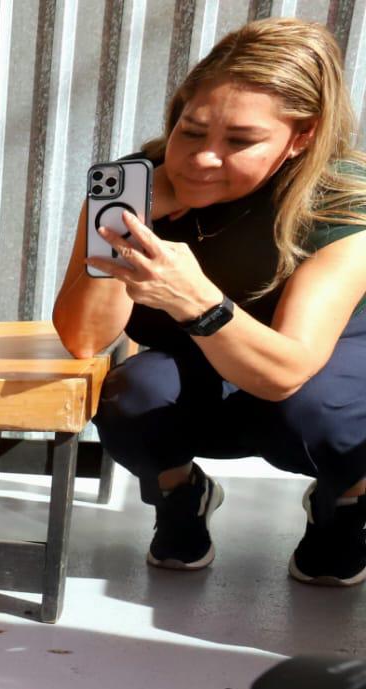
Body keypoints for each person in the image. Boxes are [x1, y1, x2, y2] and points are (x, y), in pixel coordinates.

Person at [52, 18, 366, 585]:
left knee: (323, 415)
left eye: (239, 141)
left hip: (317, 378)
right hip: (205, 370)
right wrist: (121, 225)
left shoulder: (342, 203)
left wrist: (199, 302)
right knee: (131, 399)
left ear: (302, 136)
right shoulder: (131, 184)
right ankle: (182, 494)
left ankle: (344, 504)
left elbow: (285, 373)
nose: (202, 159)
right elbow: (83, 338)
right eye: (191, 131)